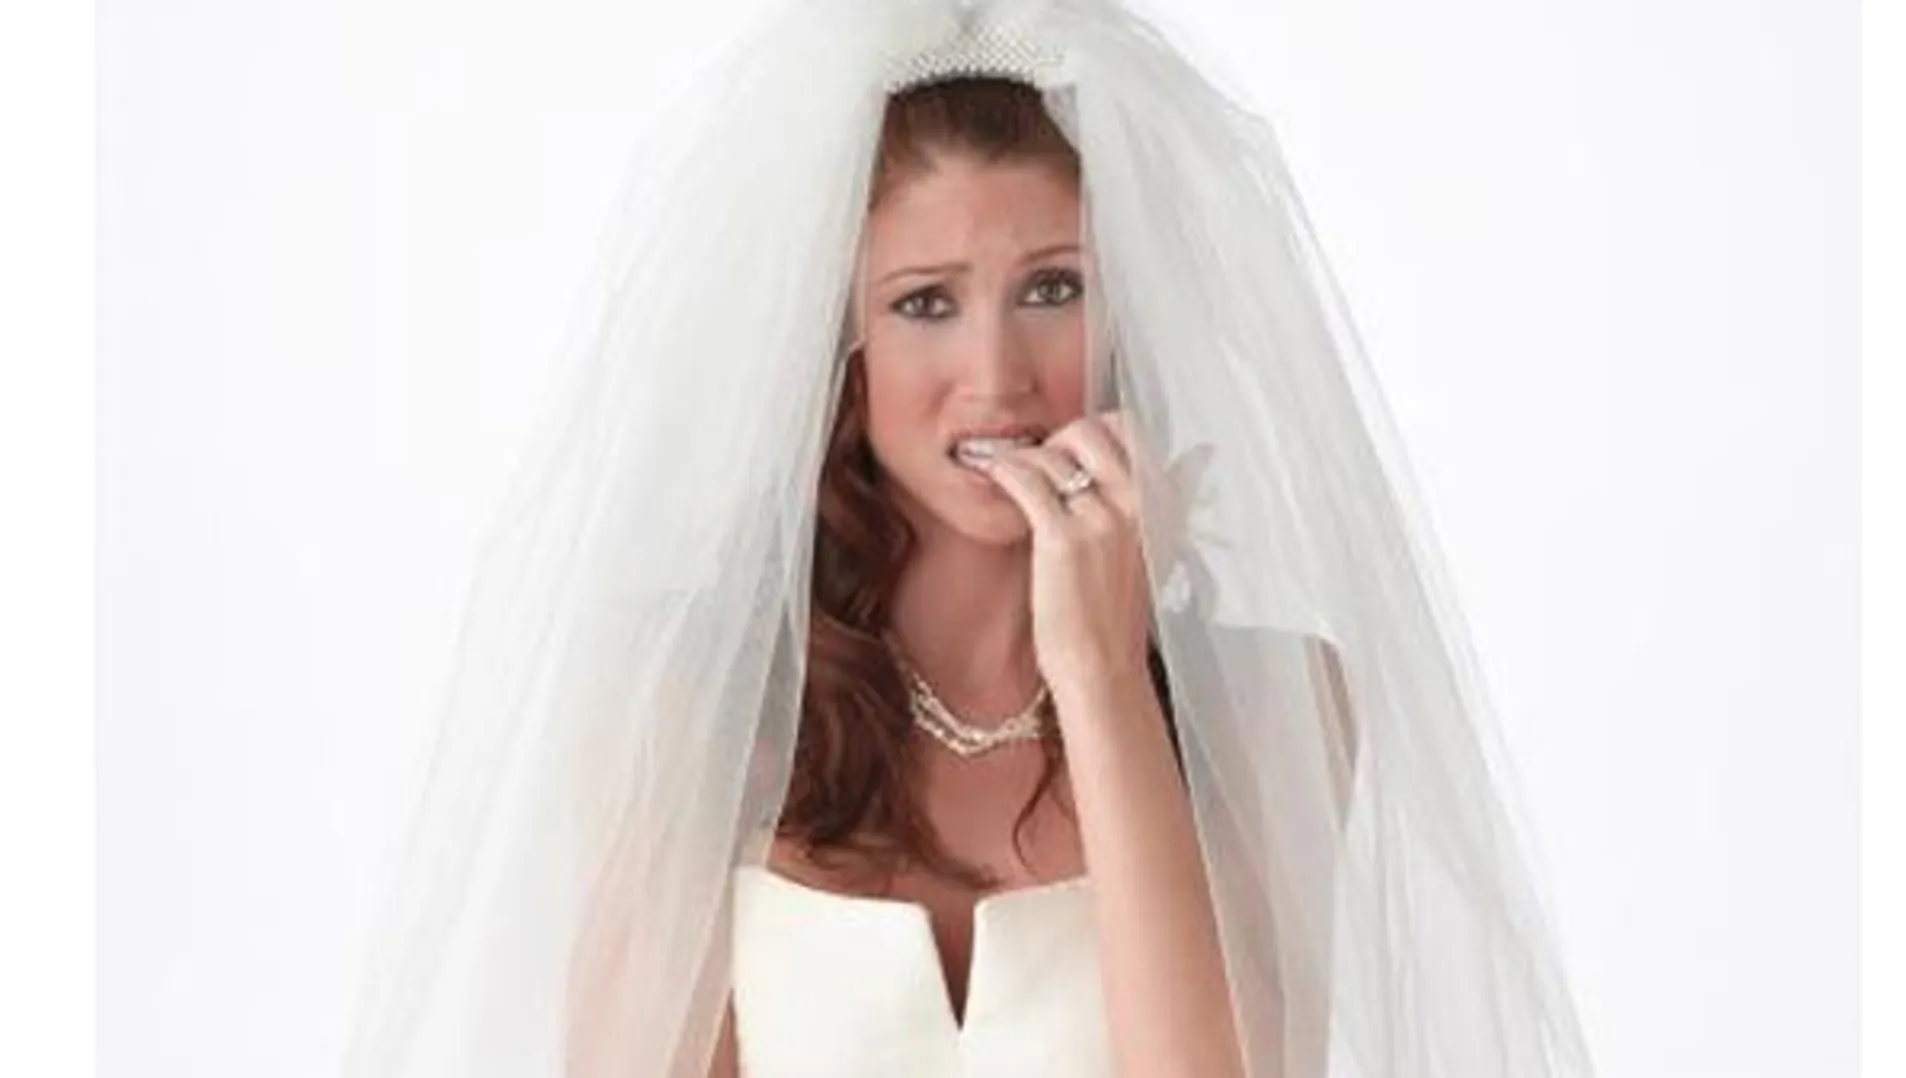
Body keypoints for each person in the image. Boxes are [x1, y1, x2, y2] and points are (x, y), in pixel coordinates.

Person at [341, 2, 1596, 1076]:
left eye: (1053, 288)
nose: (996, 375)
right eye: (924, 303)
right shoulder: (684, 698)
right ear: (840, 345)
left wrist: (1101, 677)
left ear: (1130, 311)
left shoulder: (1283, 699)